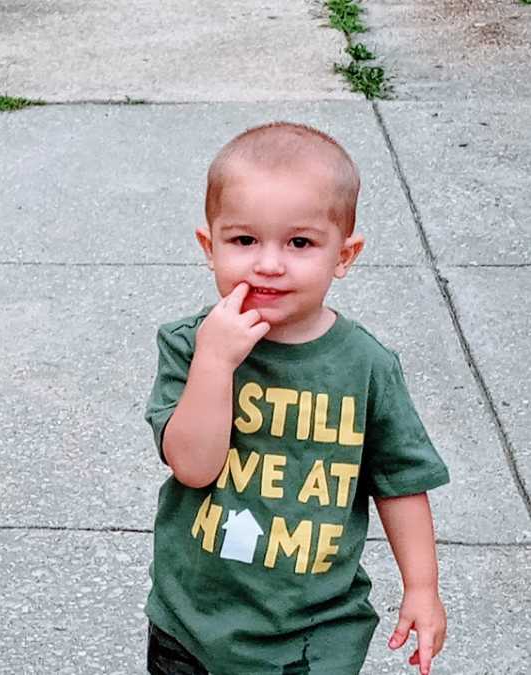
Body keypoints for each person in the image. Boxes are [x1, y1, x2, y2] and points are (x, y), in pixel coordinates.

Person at [144, 122, 449, 675]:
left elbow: (401, 481)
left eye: (300, 243)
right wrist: (216, 363)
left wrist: (422, 587)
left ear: (345, 255)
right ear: (208, 247)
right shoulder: (190, 346)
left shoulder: (365, 366)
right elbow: (191, 465)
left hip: (315, 634)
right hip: (195, 620)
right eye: (244, 241)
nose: (269, 263)